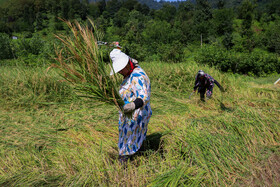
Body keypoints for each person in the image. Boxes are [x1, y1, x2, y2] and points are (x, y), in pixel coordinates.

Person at [109, 48, 152, 164]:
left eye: (121, 69)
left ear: (128, 64)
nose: (119, 72)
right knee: (131, 138)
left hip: (136, 115)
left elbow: (143, 97)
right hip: (128, 115)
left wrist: (132, 105)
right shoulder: (129, 74)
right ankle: (138, 155)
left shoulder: (137, 76)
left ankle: (125, 161)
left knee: (130, 139)